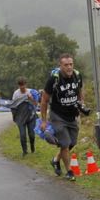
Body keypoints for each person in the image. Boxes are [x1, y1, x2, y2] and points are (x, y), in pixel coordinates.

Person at [39, 53, 87, 181]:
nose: (69, 67)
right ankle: (69, 171)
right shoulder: (53, 79)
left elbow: (80, 91)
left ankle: (55, 160)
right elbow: (44, 100)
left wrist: (81, 104)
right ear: (60, 66)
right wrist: (43, 121)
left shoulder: (77, 75)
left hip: (72, 116)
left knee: (72, 143)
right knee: (65, 144)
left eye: (71, 64)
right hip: (58, 116)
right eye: (66, 65)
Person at [10, 77, 39, 155]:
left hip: (31, 117)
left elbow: (36, 104)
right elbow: (13, 106)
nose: (22, 87)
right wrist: (14, 117)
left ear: (26, 84)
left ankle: (32, 147)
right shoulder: (16, 94)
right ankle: (24, 151)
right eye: (20, 85)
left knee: (32, 135)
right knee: (22, 135)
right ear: (18, 85)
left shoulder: (31, 92)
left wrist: (31, 99)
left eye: (23, 85)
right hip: (20, 117)